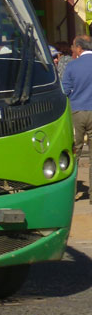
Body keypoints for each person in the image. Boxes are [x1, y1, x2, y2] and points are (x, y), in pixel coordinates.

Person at [60, 35, 92, 197]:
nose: (73, 50)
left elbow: (64, 91)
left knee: (75, 153)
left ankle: (71, 192)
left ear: (79, 48)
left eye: (73, 47)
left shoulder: (72, 66)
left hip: (77, 112)